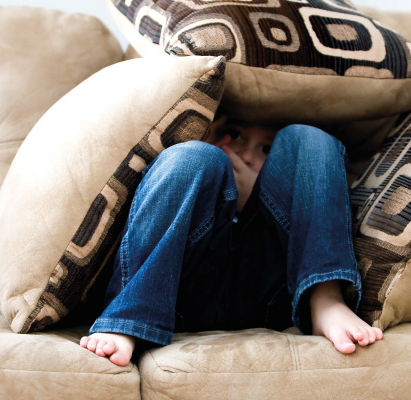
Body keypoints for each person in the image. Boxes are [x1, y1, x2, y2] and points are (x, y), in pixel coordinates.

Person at [80, 115, 383, 366]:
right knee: (191, 157)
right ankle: (130, 318)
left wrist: (257, 195)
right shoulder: (208, 164)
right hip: (181, 294)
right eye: (235, 135)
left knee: (310, 138)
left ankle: (325, 297)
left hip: (270, 294)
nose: (248, 154)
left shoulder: (288, 174)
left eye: (267, 148)